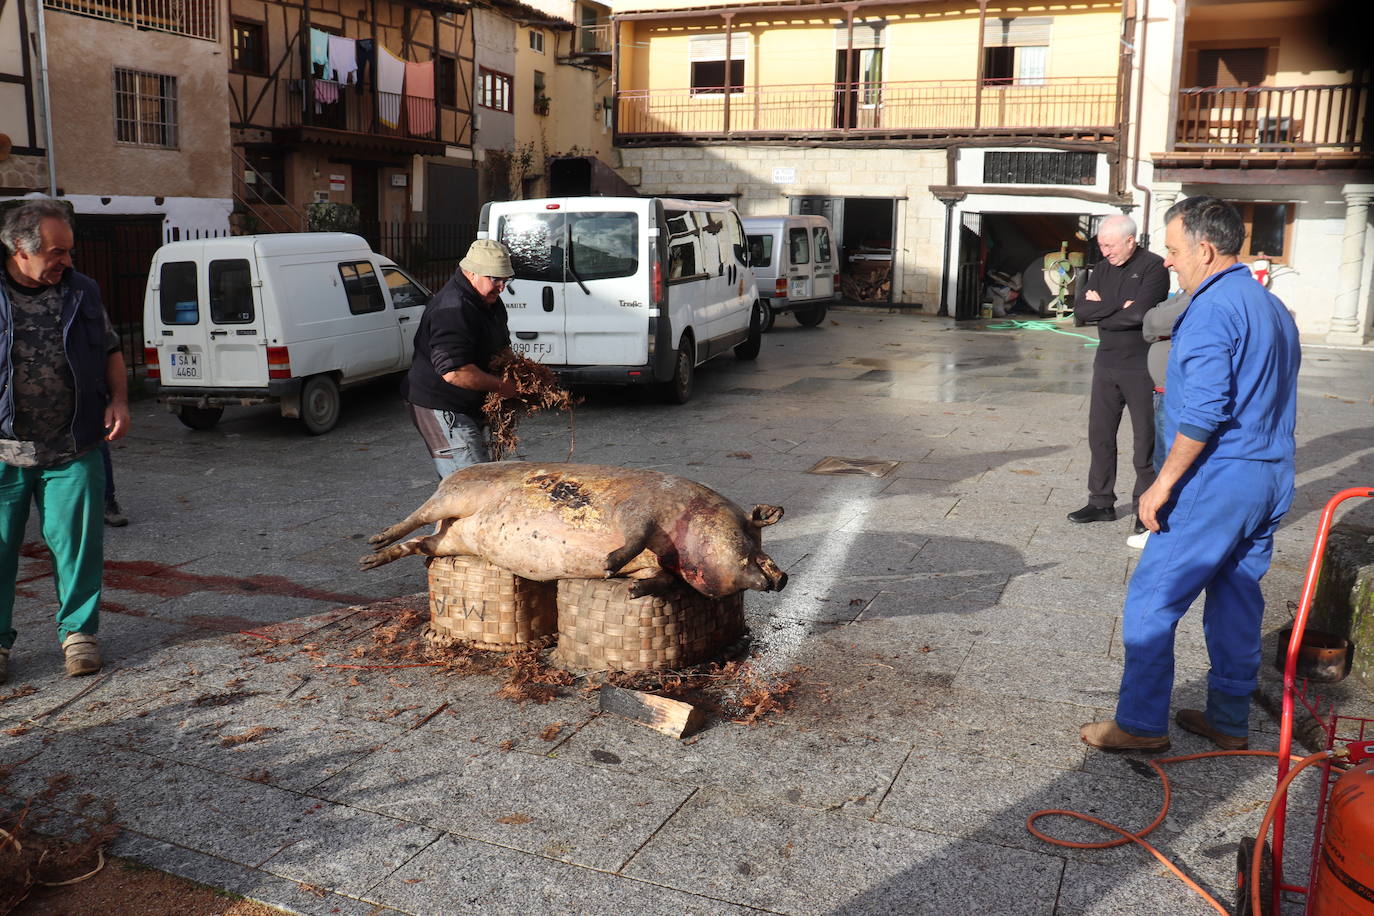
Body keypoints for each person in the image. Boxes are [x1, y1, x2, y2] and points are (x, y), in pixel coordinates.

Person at [1081, 197, 1300, 753]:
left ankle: (1140, 722)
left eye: (1175, 252)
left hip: (1219, 478)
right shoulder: (1270, 305)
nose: (1170, 263)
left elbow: (1204, 411)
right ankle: (1228, 718)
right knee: (1236, 598)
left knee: (1153, 599)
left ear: (1204, 249)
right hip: (1270, 476)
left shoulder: (1210, 309)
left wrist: (1161, 483)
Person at [0, 199, 131, 684]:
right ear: (20, 249)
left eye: (69, 251)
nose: (67, 262)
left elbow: (113, 349)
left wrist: (119, 401)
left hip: (73, 447)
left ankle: (79, 635)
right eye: (58, 252)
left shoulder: (82, 291)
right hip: (2, 451)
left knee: (76, 546)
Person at [1068, 214, 1170, 532]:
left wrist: (1106, 308)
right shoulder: (1102, 268)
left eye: (1110, 245)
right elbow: (1081, 310)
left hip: (1140, 367)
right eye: (1101, 245)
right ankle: (1100, 502)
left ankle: (1145, 508)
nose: (1106, 252)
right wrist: (1119, 306)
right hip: (1106, 363)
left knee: (1145, 442)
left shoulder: (1153, 267)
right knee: (1100, 436)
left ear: (1130, 240)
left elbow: (1141, 314)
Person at [401, 239, 519, 479]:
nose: (501, 287)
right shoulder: (452, 309)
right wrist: (503, 387)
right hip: (442, 406)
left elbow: (501, 346)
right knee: (471, 485)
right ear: (471, 273)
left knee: (471, 483)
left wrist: (520, 371)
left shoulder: (489, 302)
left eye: (506, 280)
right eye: (495, 279)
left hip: (466, 404)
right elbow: (455, 372)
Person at [1126, 288, 1191, 550]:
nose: (1169, 262)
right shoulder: (1184, 291)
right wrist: (1154, 320)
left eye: (1174, 253)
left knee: (1168, 464)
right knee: (1161, 459)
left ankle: (1163, 532)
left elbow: (1153, 320)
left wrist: (1154, 320)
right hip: (1163, 391)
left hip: (1175, 394)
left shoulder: (1199, 293)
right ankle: (1162, 528)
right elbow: (1150, 320)